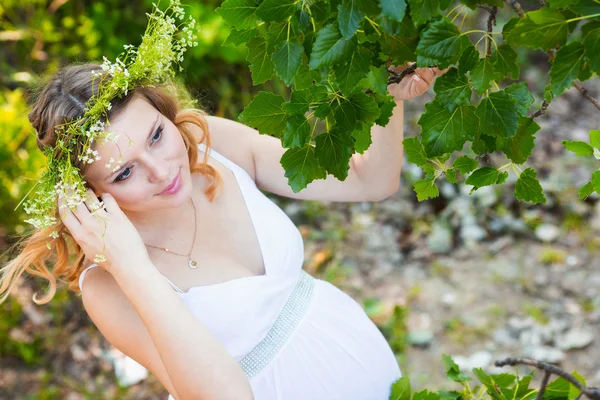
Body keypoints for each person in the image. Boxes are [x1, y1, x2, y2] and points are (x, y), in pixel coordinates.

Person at [0, 2, 445, 399]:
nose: (163, 170)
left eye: (156, 135)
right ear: (93, 194)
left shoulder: (210, 145)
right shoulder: (108, 285)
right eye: (124, 172)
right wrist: (133, 266)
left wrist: (390, 96)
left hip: (360, 355)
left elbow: (370, 182)